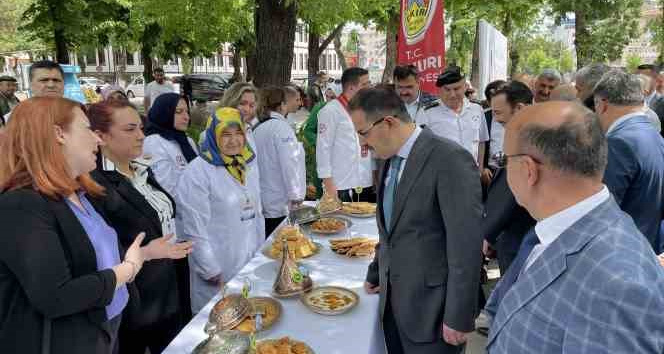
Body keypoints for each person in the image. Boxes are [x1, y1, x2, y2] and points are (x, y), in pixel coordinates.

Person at [486, 101, 664, 353]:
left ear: (528, 169)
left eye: (504, 159)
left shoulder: (618, 283)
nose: (502, 168)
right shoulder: (553, 228)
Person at [0, 97, 146, 354]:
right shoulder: (22, 205)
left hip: (106, 328)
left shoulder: (78, 192)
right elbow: (55, 296)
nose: (98, 139)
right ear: (59, 134)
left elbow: (92, 254)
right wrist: (128, 270)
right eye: (88, 129)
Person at [352, 88, 483, 354]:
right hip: (394, 303)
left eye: (363, 133)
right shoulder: (390, 158)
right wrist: (377, 270)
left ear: (388, 123)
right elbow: (392, 230)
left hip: (433, 314)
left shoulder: (449, 159)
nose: (361, 143)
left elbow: (465, 246)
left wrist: (458, 315)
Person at [87, 101, 194, 354]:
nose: (141, 136)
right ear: (101, 136)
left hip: (171, 283)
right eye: (130, 129)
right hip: (138, 298)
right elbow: (96, 251)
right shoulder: (96, 185)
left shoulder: (141, 170)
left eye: (141, 128)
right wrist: (147, 252)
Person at [177, 107, 265, 313]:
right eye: (225, 134)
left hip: (249, 262)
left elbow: (257, 213)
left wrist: (261, 252)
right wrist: (211, 270)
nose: (234, 141)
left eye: (238, 133)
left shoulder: (245, 164)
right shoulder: (198, 172)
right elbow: (193, 227)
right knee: (218, 326)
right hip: (217, 272)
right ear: (212, 135)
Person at [593, 70, 664, 253]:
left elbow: (601, 212)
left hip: (619, 252)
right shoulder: (655, 136)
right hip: (645, 248)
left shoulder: (618, 142)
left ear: (602, 105)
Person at [483, 81, 536, 272]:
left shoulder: (531, 139)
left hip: (522, 237)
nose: (495, 119)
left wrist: (488, 233)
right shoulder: (522, 134)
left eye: (498, 113)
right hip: (514, 236)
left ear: (520, 108)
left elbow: (511, 192)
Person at [254, 86, 306, 237]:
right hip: (279, 204)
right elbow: (290, 165)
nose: (300, 103)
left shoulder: (260, 126)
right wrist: (296, 197)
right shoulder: (280, 128)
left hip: (266, 199)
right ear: (283, 105)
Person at [316, 67, 374, 202]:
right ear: (351, 87)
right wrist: (329, 184)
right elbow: (323, 150)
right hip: (342, 185)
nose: (370, 87)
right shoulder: (330, 111)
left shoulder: (366, 108)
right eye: (365, 84)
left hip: (364, 181)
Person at [419, 66, 490, 168]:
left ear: (465, 87)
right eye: (447, 89)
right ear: (439, 90)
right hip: (442, 175)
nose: (452, 94)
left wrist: (480, 169)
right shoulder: (427, 113)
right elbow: (420, 148)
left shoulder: (477, 109)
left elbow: (482, 142)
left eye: (457, 89)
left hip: (472, 174)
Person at [143, 92, 197, 199]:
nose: (186, 117)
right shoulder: (154, 142)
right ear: (164, 113)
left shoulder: (187, 141)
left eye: (187, 112)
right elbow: (167, 189)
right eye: (179, 112)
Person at [218, 82, 258, 150]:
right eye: (242, 103)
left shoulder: (248, 129)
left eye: (251, 105)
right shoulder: (215, 131)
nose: (247, 109)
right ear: (230, 101)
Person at [482, 80, 507, 183]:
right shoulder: (483, 117)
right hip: (491, 173)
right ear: (488, 102)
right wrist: (482, 168)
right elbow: (478, 143)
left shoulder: (519, 115)